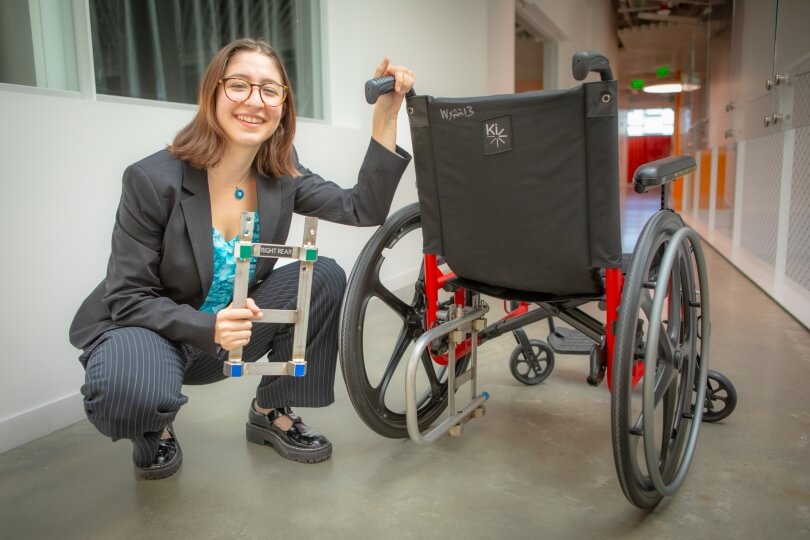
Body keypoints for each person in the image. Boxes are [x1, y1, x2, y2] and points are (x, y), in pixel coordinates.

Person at [69, 38, 414, 479]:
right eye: (239, 85)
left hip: (230, 335)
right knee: (128, 393)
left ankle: (270, 410)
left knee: (324, 274)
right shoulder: (152, 180)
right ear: (213, 91)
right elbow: (128, 295)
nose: (255, 101)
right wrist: (207, 325)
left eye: (270, 90)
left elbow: (361, 207)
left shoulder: (281, 172)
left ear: (283, 105)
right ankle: (154, 426)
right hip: (154, 332)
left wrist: (386, 114)